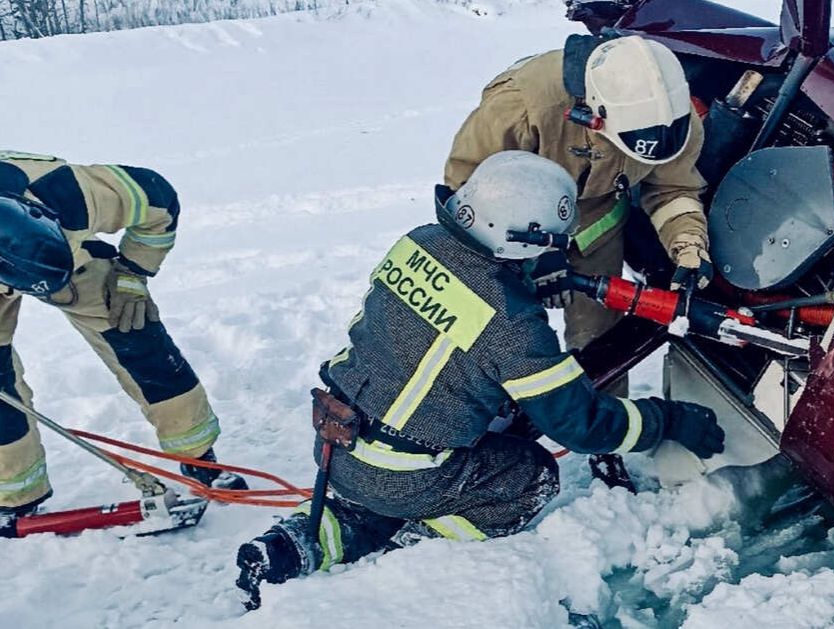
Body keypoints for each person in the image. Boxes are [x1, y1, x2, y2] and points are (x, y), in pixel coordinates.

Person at [234, 151, 723, 609]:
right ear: (524, 243)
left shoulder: (419, 242)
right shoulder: (513, 325)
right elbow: (583, 426)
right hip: (403, 471)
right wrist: (668, 419)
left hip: (336, 440)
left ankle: (292, 546)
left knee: (393, 481)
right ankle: (415, 546)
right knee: (529, 475)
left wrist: (520, 277)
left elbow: (452, 316)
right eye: (551, 244)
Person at [445, 35, 713, 394]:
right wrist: (536, 254)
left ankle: (604, 425)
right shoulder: (522, 104)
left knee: (599, 331)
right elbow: (467, 186)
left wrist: (689, 247)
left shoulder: (674, 120)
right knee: (497, 326)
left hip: (595, 217)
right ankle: (474, 406)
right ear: (594, 116)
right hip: (506, 221)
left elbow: (672, 189)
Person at [0, 150, 246, 519]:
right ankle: (17, 495)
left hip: (73, 259)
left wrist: (132, 274)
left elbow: (160, 200)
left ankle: (198, 456)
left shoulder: (74, 194)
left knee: (137, 336)